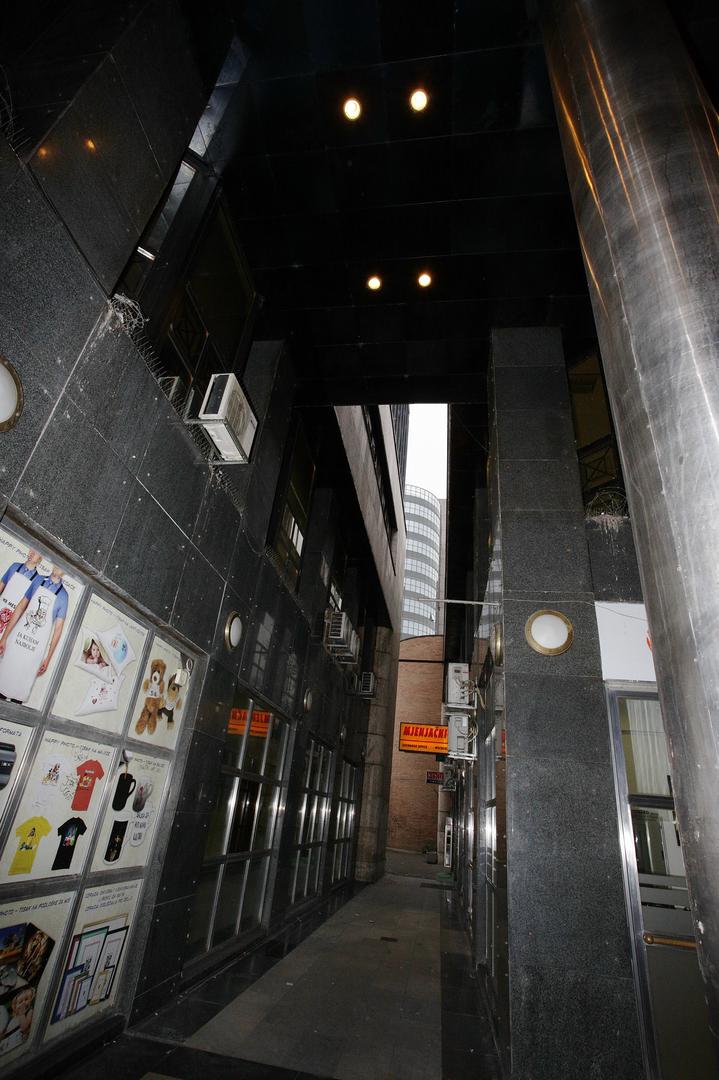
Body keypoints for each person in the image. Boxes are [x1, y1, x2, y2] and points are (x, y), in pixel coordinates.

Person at [0, 567, 68, 704]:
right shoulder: (38, 580)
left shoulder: (64, 596)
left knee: (19, 692)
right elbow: (20, 607)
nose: (58, 567)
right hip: (16, 640)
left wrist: (48, 658)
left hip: (34, 650)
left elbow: (58, 630)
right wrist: (5, 637)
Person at [0, 548, 42, 632]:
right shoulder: (15, 566)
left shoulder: (37, 580)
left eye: (36, 552)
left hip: (14, 618)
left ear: (41, 558)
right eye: (31, 550)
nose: (32, 553)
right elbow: (1, 585)